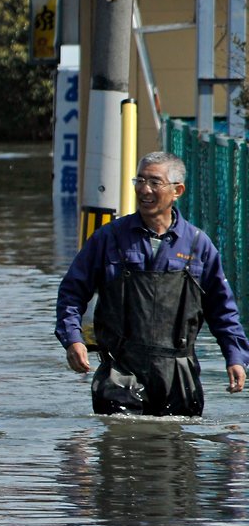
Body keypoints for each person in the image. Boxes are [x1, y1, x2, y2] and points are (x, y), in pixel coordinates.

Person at [56, 152, 249, 416]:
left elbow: (222, 310)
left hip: (179, 373)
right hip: (120, 370)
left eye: (155, 182)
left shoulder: (197, 245)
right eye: (140, 180)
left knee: (178, 448)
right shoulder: (109, 238)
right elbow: (71, 293)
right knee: (119, 443)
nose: (145, 189)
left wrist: (235, 357)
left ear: (177, 190)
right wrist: (73, 339)